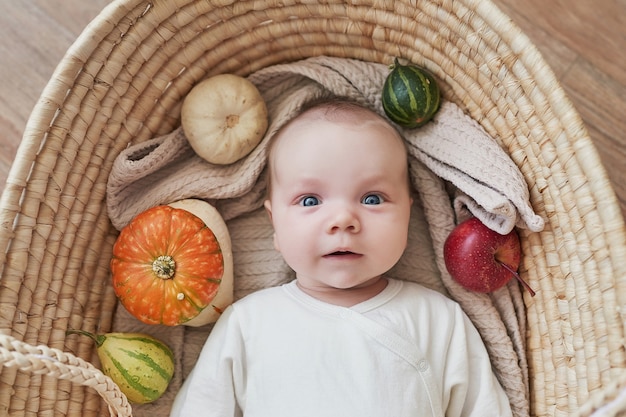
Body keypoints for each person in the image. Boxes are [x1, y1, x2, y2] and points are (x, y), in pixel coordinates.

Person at [169, 99, 513, 417]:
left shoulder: (438, 320)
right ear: (275, 225)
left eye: (373, 198)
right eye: (309, 201)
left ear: (409, 215)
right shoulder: (247, 323)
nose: (343, 219)